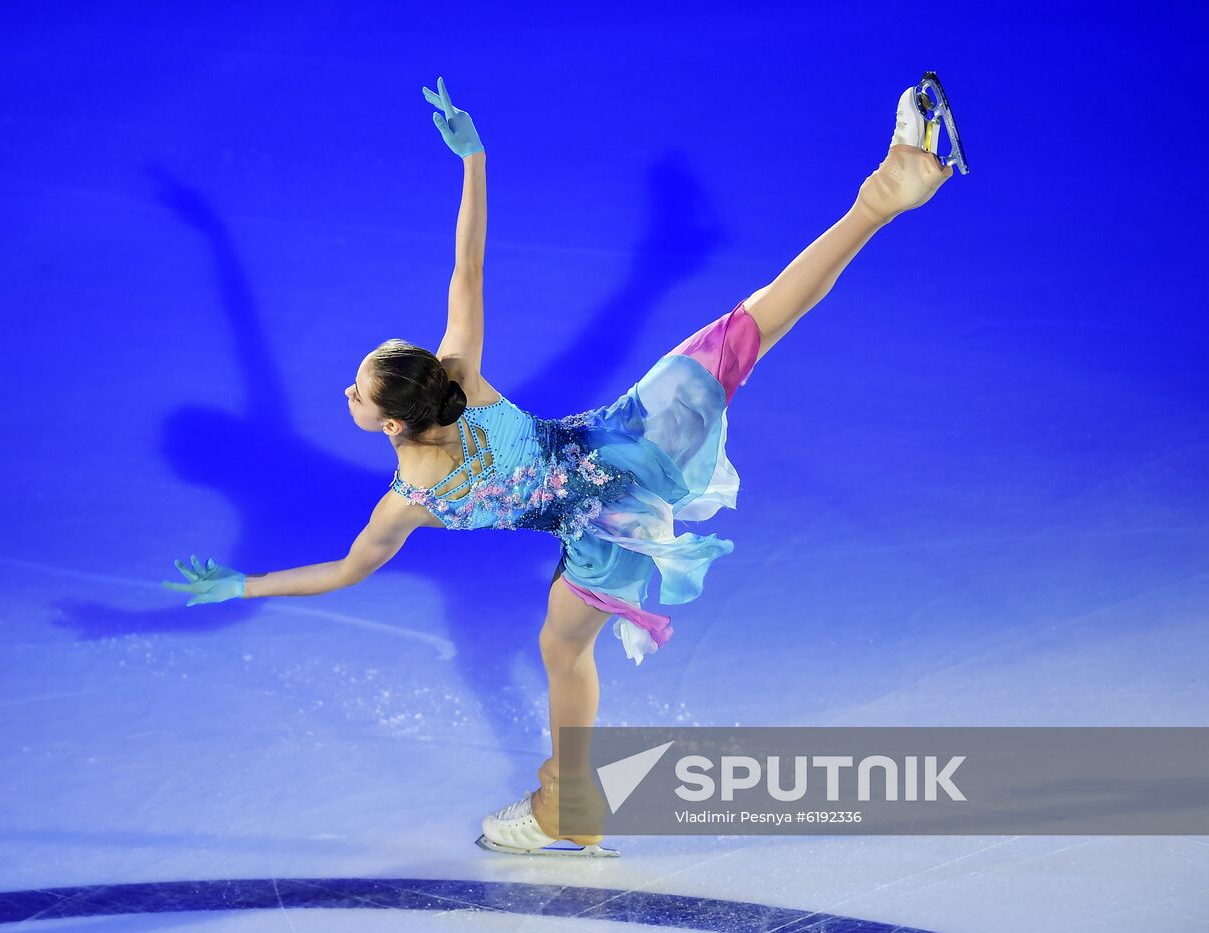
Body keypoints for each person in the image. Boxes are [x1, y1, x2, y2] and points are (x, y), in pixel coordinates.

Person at [164, 76, 959, 856]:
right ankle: (875, 203)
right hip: (620, 438)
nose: (348, 391)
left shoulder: (406, 499)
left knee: (563, 654)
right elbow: (466, 269)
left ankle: (565, 811)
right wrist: (474, 161)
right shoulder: (459, 373)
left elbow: (343, 573)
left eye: (358, 390)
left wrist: (242, 584)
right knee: (752, 323)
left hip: (601, 527)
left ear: (394, 421)